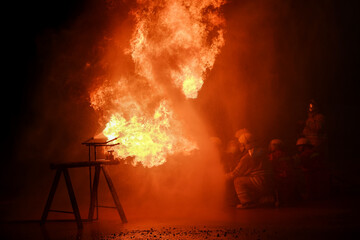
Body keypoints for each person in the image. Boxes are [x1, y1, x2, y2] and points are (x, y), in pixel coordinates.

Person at [226, 132, 275, 208]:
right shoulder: (262, 151)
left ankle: (247, 203)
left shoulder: (248, 157)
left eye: (240, 145)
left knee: (238, 181)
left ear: (243, 145)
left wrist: (221, 177)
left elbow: (235, 173)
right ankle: (266, 198)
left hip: (261, 181)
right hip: (270, 181)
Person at [268, 139, 297, 206]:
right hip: (287, 174)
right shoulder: (286, 154)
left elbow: (271, 165)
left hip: (279, 174)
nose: (271, 147)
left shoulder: (273, 155)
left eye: (272, 145)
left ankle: (278, 200)